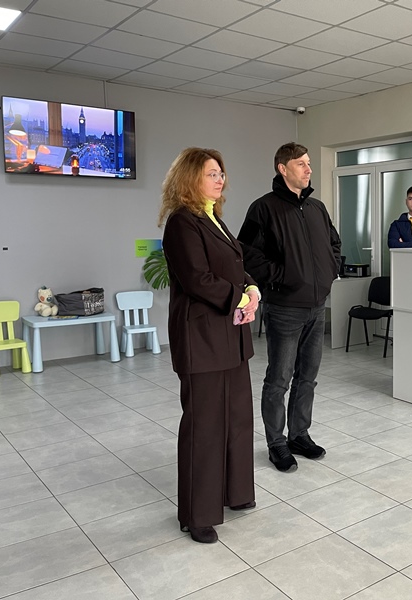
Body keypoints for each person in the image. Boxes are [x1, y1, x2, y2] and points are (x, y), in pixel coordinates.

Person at [160, 147, 260, 543]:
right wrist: (240, 296)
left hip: (231, 336)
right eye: (211, 174)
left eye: (221, 173)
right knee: (204, 426)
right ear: (190, 178)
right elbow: (197, 279)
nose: (220, 180)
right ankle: (197, 514)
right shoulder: (182, 222)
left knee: (237, 418)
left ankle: (236, 492)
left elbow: (233, 266)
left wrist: (251, 286)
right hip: (201, 339)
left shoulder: (213, 217)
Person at [237, 142, 341, 473]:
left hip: (316, 306)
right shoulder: (263, 209)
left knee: (307, 377)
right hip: (284, 307)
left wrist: (330, 271)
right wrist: (282, 276)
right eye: (301, 164)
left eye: (309, 163)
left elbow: (334, 244)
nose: (309, 169)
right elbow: (247, 253)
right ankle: (276, 443)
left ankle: (299, 435)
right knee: (279, 379)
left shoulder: (317, 208)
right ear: (283, 168)